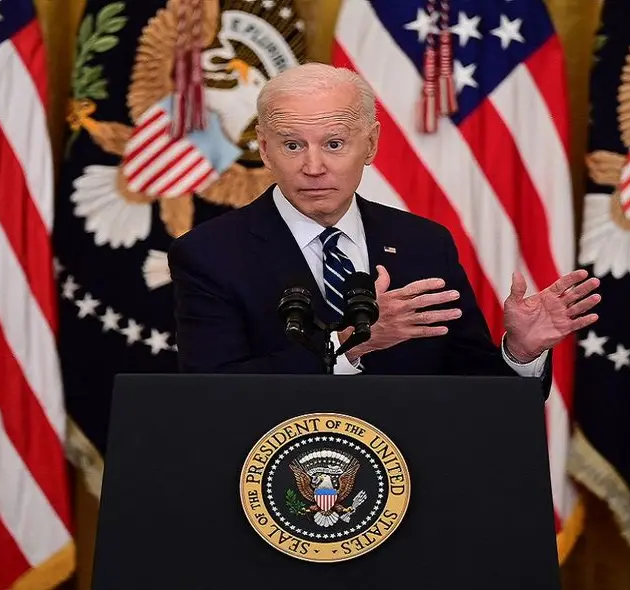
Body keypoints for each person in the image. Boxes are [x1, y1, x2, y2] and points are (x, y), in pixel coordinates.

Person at [167, 63, 600, 395]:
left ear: (370, 144)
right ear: (264, 149)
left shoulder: (424, 243)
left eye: (334, 144)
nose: (313, 167)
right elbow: (210, 391)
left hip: (412, 481)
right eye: (292, 145)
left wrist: (520, 352)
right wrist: (347, 345)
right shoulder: (209, 253)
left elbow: (475, 390)